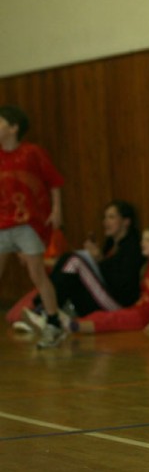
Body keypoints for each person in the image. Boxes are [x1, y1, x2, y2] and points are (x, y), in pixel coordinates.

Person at [0, 104, 66, 348]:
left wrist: (57, 210)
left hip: (28, 223)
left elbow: (54, 181)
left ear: (14, 128)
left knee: (36, 273)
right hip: (2, 223)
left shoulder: (32, 153)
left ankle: (54, 324)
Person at [24, 200, 145, 329]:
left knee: (74, 261)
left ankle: (45, 309)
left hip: (117, 304)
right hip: (101, 297)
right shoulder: (110, 244)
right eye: (105, 217)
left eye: (111, 217)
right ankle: (46, 309)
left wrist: (99, 260)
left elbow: (122, 284)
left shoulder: (133, 247)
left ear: (126, 222)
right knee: (69, 260)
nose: (105, 222)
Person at [65, 225, 149, 334]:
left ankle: (72, 326)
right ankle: (67, 324)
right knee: (102, 315)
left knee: (112, 320)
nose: (143, 243)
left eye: (148, 240)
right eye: (143, 240)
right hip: (140, 311)